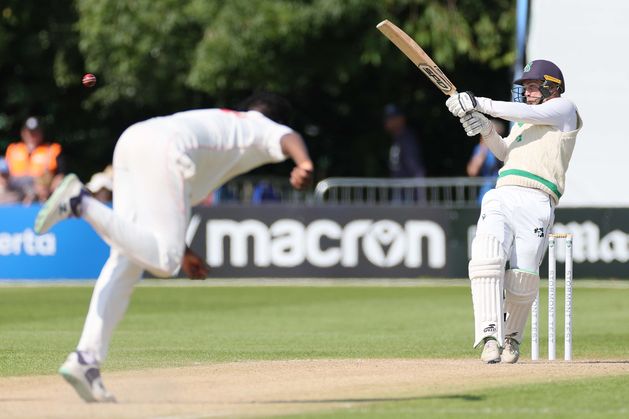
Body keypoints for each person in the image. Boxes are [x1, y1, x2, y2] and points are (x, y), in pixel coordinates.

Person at [34, 92, 314, 402]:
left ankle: (85, 361)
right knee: (165, 263)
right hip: (167, 148)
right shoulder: (259, 125)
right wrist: (304, 162)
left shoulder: (225, 126)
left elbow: (165, 208)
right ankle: (80, 202)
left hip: (134, 139)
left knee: (126, 260)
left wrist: (185, 248)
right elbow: (288, 136)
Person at [445, 60, 582, 364]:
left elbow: (529, 112)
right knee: (486, 258)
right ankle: (489, 336)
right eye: (526, 88)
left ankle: (512, 338)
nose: (528, 93)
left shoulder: (564, 109)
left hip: (538, 200)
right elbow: (506, 153)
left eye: (534, 87)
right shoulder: (523, 122)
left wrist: (479, 103)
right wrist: (486, 130)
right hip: (504, 193)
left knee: (523, 277)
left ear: (551, 87)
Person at [4, 117, 65, 202]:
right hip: (15, 189)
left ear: (41, 133)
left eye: (35, 132)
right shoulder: (13, 149)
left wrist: (52, 189)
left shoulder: (52, 149)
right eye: (29, 132)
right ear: (23, 133)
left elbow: (60, 176)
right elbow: (4, 174)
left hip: (42, 190)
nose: (32, 135)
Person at [466, 119, 505, 203]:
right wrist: (483, 147)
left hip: (502, 191)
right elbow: (472, 171)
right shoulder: (480, 149)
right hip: (486, 193)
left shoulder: (505, 147)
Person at [383, 104, 426, 178]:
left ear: (402, 119)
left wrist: (419, 187)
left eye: (392, 118)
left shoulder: (407, 139)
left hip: (409, 188)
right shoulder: (396, 139)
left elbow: (415, 168)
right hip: (400, 187)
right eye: (387, 118)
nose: (388, 121)